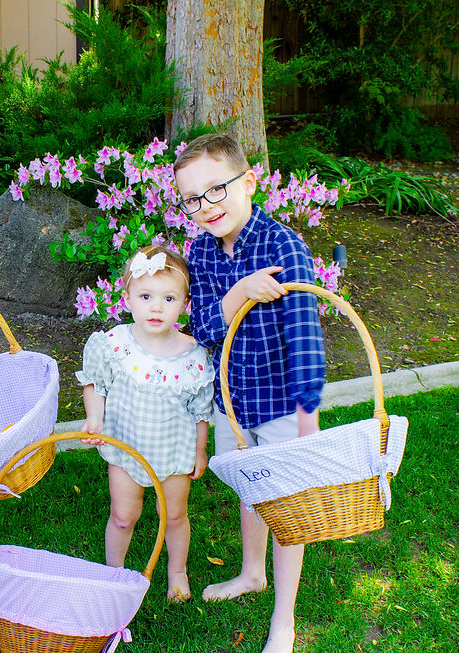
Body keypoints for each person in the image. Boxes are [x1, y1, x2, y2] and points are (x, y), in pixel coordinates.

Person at [174, 133, 325, 653]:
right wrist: (238, 294)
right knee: (250, 490)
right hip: (232, 403)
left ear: (249, 182)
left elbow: (305, 330)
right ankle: (251, 574)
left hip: (283, 403)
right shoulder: (201, 252)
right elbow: (203, 328)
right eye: (193, 198)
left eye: (217, 189)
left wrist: (308, 416)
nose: (206, 206)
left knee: (285, 509)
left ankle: (283, 620)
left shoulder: (283, 246)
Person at [76, 245, 215, 603]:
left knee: (174, 515)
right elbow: (95, 381)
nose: (156, 307)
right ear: (127, 299)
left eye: (169, 298)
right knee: (124, 515)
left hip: (173, 450)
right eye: (146, 296)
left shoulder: (193, 355)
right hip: (126, 445)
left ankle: (177, 571)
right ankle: (115, 572)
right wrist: (95, 418)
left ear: (184, 303)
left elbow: (200, 409)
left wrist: (200, 450)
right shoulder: (115, 345)